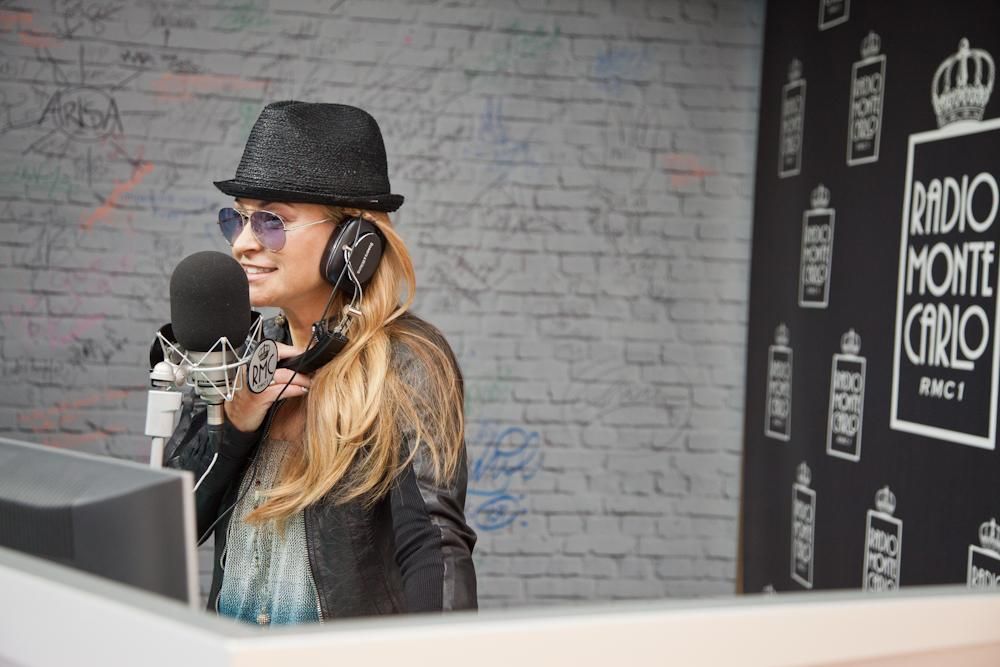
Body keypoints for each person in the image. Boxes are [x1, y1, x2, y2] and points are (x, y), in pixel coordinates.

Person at [162, 101, 478, 626]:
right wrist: (234, 425)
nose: (242, 244)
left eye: (272, 221)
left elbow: (434, 546)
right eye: (236, 219)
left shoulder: (406, 361)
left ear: (353, 244)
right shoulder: (237, 358)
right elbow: (170, 532)